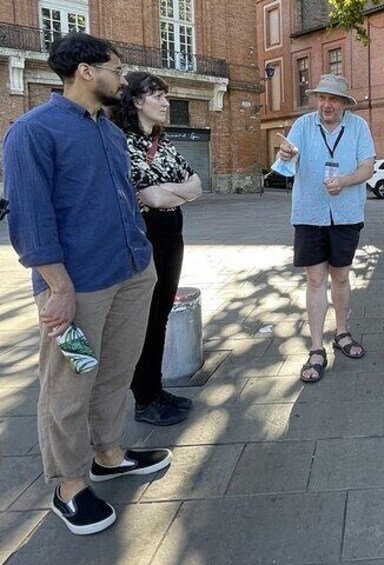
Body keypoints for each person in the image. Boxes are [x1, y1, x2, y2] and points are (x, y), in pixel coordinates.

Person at [3, 33, 173, 535]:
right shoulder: (33, 132)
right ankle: (69, 485)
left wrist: (143, 255)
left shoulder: (109, 131)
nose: (122, 80)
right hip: (77, 289)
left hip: (131, 273)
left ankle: (109, 454)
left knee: (116, 373)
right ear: (85, 71)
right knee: (68, 388)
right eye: (116, 70)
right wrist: (57, 287)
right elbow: (30, 220)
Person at [110, 71, 201, 426]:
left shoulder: (162, 142)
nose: (166, 103)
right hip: (143, 236)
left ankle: (155, 389)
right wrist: (174, 191)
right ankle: (143, 398)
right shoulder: (122, 142)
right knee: (144, 318)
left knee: (161, 314)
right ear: (136, 102)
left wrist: (172, 191)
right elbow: (150, 196)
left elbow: (196, 185)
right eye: (158, 96)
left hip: (171, 235)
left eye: (166, 96)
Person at [274, 74, 376, 383]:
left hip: (346, 213)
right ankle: (316, 349)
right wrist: (285, 155)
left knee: (341, 278)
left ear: (344, 103)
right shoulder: (303, 126)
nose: (326, 104)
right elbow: (285, 162)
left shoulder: (359, 127)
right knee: (315, 280)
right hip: (309, 213)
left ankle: (342, 333)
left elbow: (368, 167)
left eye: (333, 99)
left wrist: (344, 181)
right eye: (322, 98)